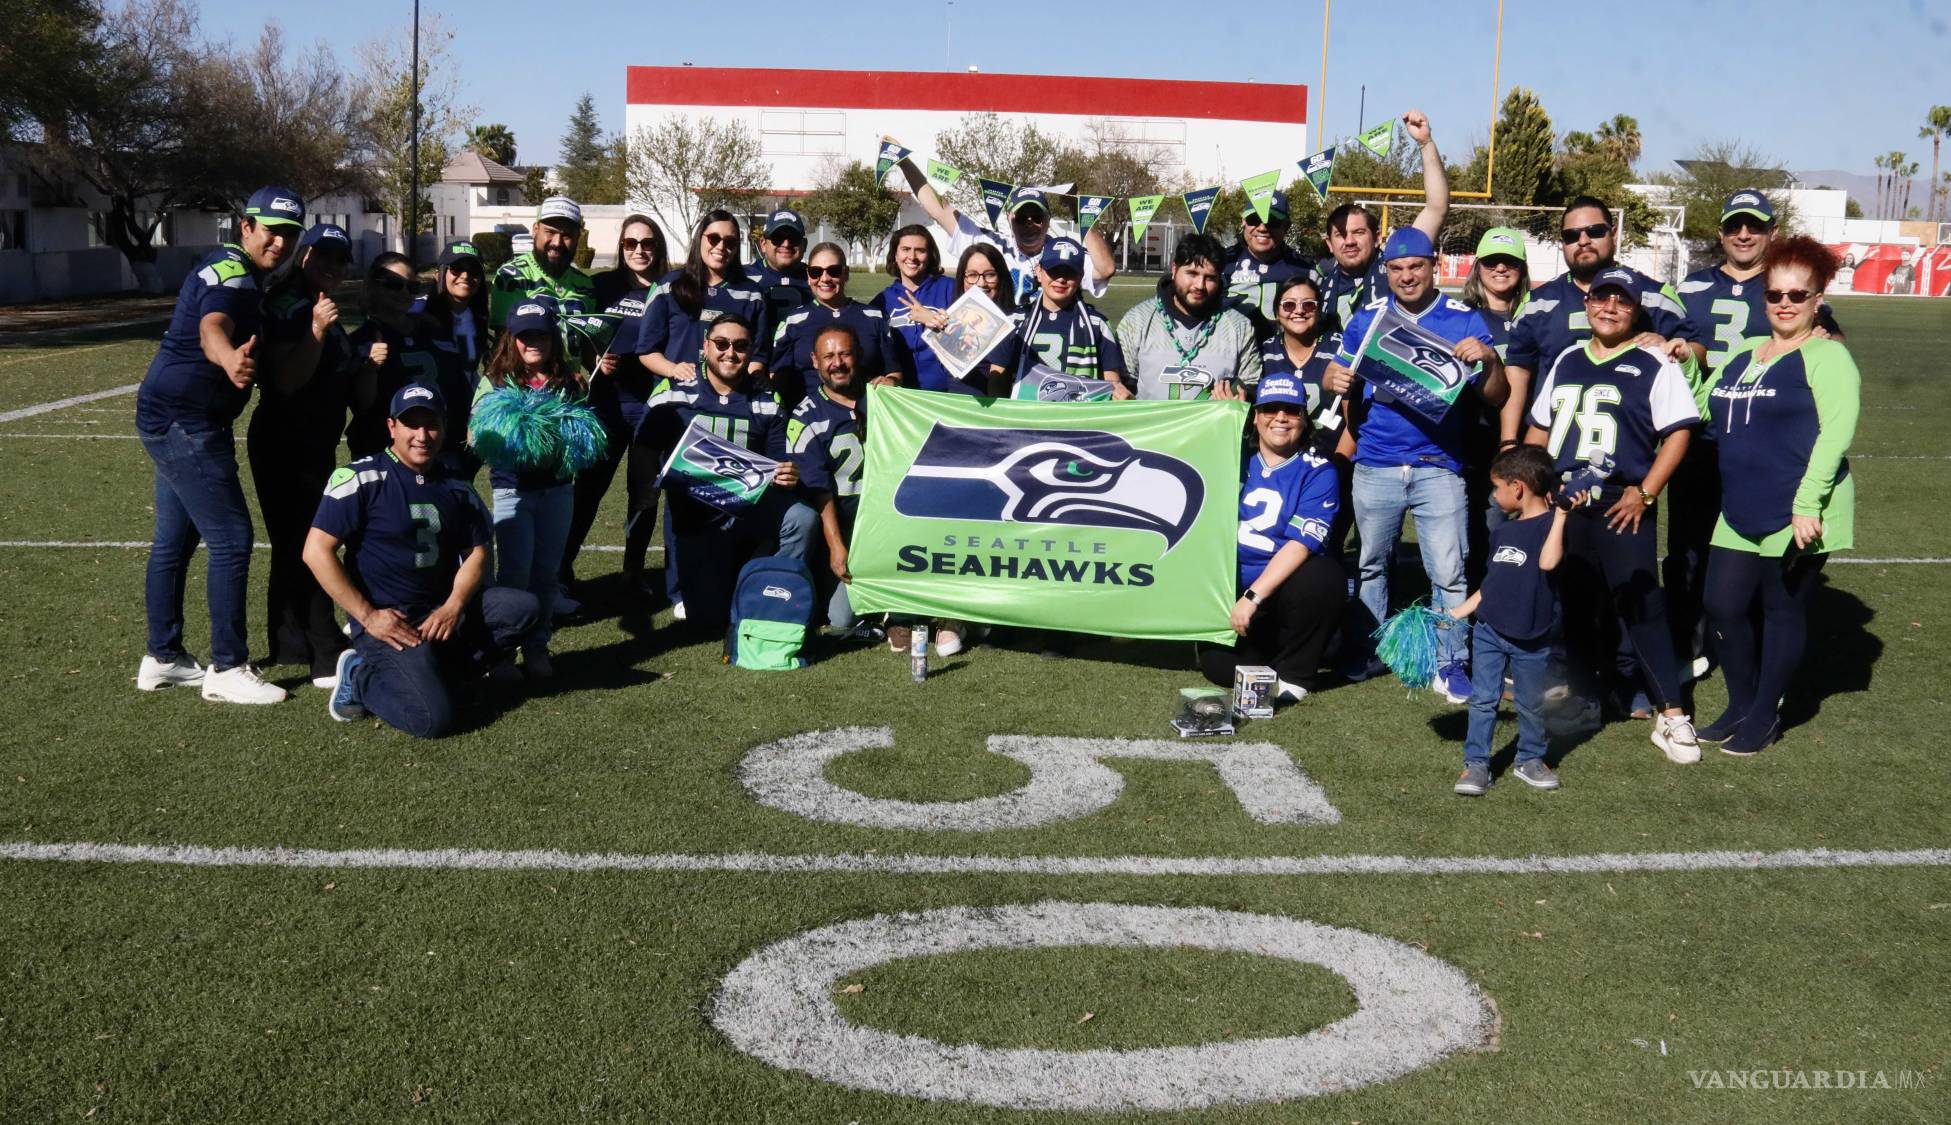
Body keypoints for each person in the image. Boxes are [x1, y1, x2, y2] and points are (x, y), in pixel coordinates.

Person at [1524, 266, 1702, 763]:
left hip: (1621, 503)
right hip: (1566, 503)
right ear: (1587, 304)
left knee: (1642, 608)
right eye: (1602, 298)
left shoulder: (1654, 362)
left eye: (1622, 301)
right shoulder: (1567, 358)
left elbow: (1678, 433)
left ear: (1636, 309)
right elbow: (1540, 429)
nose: (1610, 308)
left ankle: (1672, 715)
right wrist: (1535, 489)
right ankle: (1585, 697)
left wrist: (1645, 492)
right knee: (1575, 605)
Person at [134, 185, 303, 704]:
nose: (280, 242)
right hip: (186, 420)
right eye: (271, 231)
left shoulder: (239, 270)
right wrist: (228, 357)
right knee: (231, 538)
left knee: (175, 540)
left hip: (173, 411)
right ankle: (227, 667)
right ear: (246, 227)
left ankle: (163, 657)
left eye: (290, 234)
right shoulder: (235, 276)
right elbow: (213, 325)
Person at [1324, 227, 1507, 702]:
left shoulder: (1463, 318)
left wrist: (1489, 361)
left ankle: (1451, 661)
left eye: (1416, 267)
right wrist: (1331, 378)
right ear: (1386, 271)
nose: (1407, 276)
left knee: (1448, 571)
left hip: (1438, 463)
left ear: (1434, 266)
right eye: (1397, 268)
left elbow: (1496, 397)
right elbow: (1338, 377)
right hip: (1377, 462)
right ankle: (1370, 649)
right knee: (1371, 564)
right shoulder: (1369, 318)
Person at [1668, 191, 1844, 683]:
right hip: (1702, 436)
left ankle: (1759, 652)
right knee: (1688, 549)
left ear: (1771, 232)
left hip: (1764, 446)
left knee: (1763, 555)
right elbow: (1673, 343)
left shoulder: (1785, 285)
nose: (1744, 235)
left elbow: (1832, 341)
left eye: (1755, 226)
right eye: (1734, 226)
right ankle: (1690, 643)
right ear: (1721, 232)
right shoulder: (1691, 286)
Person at [1697, 235, 1860, 755]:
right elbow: (1704, 408)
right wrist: (1678, 363)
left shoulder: (1828, 357)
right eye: (1775, 294)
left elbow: (1836, 434)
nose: (1785, 304)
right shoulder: (1744, 353)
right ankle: (1742, 703)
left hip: (1798, 509)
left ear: (1817, 300)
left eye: (1797, 295)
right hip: (1740, 505)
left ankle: (1765, 714)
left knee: (1780, 609)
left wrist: (1807, 505)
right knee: (1722, 606)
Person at [306, 384, 541, 739]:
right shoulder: (362, 478)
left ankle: (444, 676)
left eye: (431, 425)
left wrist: (454, 605)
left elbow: (477, 552)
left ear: (444, 428)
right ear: (391, 427)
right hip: (391, 621)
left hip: (439, 614)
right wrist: (368, 617)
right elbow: (315, 551)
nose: (422, 435)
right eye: (411, 424)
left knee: (522, 609)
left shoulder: (455, 485)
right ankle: (360, 676)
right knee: (432, 720)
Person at [628, 210, 772, 620]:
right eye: (713, 238)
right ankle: (678, 587)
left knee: (731, 490)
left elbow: (759, 354)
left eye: (730, 241)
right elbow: (646, 350)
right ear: (699, 239)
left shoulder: (751, 293)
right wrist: (674, 369)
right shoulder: (669, 286)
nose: (721, 247)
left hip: (731, 405)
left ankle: (728, 578)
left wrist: (744, 380)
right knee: (680, 495)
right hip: (680, 409)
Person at [635, 313, 799, 629]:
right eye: (721, 344)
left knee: (801, 518)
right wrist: (648, 487)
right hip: (693, 516)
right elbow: (644, 446)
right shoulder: (674, 390)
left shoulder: (767, 398)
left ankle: (773, 583)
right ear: (706, 346)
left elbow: (778, 460)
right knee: (708, 619)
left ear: (751, 350)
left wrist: (787, 474)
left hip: (747, 511)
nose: (730, 353)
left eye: (740, 345)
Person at [1501, 196, 1699, 446]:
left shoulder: (1656, 296)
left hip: (1629, 447)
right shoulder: (1537, 302)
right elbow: (1518, 370)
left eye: (1594, 231)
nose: (1583, 241)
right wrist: (1508, 441)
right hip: (1553, 443)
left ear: (1613, 233)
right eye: (1571, 235)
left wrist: (1674, 347)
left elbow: (1696, 350)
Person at [1198, 373, 1347, 702]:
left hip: (1280, 589)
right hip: (1227, 586)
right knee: (1218, 667)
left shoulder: (1319, 470)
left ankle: (1296, 673)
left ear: (1304, 419)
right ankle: (1275, 650)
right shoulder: (1231, 456)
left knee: (1324, 577)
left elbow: (1300, 546)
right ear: (1255, 416)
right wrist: (1220, 418)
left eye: (1291, 410)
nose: (1280, 417)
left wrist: (1252, 599)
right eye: (1270, 409)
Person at [250, 222, 354, 688]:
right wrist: (316, 330)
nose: (333, 266)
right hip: (288, 439)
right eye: (324, 256)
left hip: (314, 439)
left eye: (341, 259)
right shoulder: (291, 304)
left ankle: (289, 641)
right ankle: (326, 651)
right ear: (304, 256)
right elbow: (288, 379)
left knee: (293, 544)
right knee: (311, 544)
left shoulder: (316, 300)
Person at [1447, 445, 1572, 796]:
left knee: (1530, 703)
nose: (1494, 495)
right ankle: (1476, 763)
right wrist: (1458, 612)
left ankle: (1529, 759)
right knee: (1483, 700)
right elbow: (1492, 584)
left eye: (1497, 487)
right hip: (1489, 630)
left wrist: (1562, 517)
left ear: (1517, 488)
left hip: (1532, 638)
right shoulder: (1503, 531)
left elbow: (1547, 563)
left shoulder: (1554, 525)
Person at [472, 299, 586, 678]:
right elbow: (475, 435)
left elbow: (581, 435)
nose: (533, 342)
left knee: (547, 574)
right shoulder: (495, 382)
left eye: (541, 334)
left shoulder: (567, 381)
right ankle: (503, 655)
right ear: (512, 339)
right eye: (525, 336)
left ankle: (538, 647)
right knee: (515, 575)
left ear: (553, 338)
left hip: (558, 490)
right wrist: (516, 427)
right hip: (513, 491)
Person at [562, 214, 668, 599]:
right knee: (588, 490)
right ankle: (562, 567)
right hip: (606, 404)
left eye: (647, 243)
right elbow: (579, 336)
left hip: (651, 407)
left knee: (643, 496)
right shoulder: (602, 285)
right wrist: (594, 359)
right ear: (621, 247)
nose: (639, 250)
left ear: (658, 247)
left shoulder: (671, 287)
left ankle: (633, 573)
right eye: (630, 243)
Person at [891, 145, 1117, 306]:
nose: (1030, 223)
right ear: (1010, 218)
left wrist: (1079, 211)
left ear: (1048, 220)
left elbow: (1105, 269)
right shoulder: (991, 245)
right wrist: (904, 162)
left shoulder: (1062, 252)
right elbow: (938, 209)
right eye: (1022, 217)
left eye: (1037, 217)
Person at [779, 324, 878, 642]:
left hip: (884, 522)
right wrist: (837, 547)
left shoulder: (883, 400)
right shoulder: (806, 416)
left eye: (845, 354)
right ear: (815, 361)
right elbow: (820, 492)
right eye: (829, 356)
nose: (837, 363)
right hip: (843, 526)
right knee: (842, 619)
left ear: (858, 355)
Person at [1313, 110, 1449, 327]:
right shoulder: (1317, 283)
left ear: (1377, 237)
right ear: (1329, 244)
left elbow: (1436, 207)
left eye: (1358, 232)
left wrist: (1425, 143)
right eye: (1341, 235)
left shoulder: (1397, 266)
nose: (1349, 241)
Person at [345, 253, 469, 469]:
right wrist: (370, 369)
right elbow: (361, 405)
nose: (403, 292)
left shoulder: (434, 332)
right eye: (394, 284)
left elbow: (459, 391)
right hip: (383, 452)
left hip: (439, 450)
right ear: (373, 286)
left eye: (412, 287)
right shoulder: (361, 341)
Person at [1458, 226, 1530, 587]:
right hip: (1478, 442)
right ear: (1478, 268)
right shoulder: (1461, 317)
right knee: (1484, 530)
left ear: (1522, 267)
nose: (1500, 269)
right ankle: (1481, 604)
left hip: (1532, 441)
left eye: (1509, 262)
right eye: (1491, 262)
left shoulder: (1536, 317)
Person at [769, 242, 914, 412]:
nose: (825, 278)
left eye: (834, 271)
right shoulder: (793, 321)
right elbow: (777, 378)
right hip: (810, 418)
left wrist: (891, 382)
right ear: (808, 276)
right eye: (816, 272)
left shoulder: (874, 317)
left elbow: (894, 372)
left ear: (846, 273)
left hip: (864, 415)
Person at [1116, 233, 1260, 401]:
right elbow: (1121, 385)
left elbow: (1251, 387)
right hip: (1150, 419)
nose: (1199, 285)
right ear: (1174, 269)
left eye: (1210, 278)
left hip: (1213, 420)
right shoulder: (1137, 320)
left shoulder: (1239, 326)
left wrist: (1238, 398)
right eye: (1192, 273)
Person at [1004, 237, 1127, 399]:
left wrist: (1121, 395)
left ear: (1081, 276)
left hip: (1076, 413)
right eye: (1054, 270)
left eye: (1070, 272)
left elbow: (1112, 384)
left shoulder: (1097, 324)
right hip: (1026, 413)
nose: (1061, 279)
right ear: (1039, 272)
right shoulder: (1015, 321)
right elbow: (998, 378)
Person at [891, 242, 1019, 395]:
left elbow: (998, 388)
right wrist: (935, 325)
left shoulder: (1016, 320)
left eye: (990, 274)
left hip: (988, 407)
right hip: (953, 404)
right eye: (972, 275)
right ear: (962, 279)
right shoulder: (954, 314)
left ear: (1001, 276)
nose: (981, 283)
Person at [488, 196, 595, 333]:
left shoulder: (585, 284)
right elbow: (505, 339)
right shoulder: (512, 276)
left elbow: (591, 338)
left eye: (567, 235)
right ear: (535, 230)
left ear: (577, 238)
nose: (557, 243)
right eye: (550, 232)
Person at [874, 225, 961, 392]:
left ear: (930, 255)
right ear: (895, 255)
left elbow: (974, 338)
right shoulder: (882, 301)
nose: (912, 257)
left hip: (948, 393)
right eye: (905, 249)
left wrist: (937, 322)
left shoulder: (951, 288)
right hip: (902, 395)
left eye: (920, 250)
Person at [1221, 190, 1315, 339]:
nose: (1262, 228)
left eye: (1272, 220)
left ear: (1286, 225)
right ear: (1243, 221)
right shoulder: (1221, 263)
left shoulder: (1306, 269)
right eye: (1254, 219)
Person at [417, 239, 490, 379]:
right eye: (456, 268)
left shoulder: (480, 316)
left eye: (474, 271)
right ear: (438, 275)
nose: (465, 276)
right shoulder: (416, 310)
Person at [750, 208, 812, 324]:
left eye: (793, 238)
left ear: (804, 245)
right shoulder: (744, 277)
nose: (786, 244)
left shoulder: (817, 278)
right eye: (777, 238)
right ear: (763, 244)